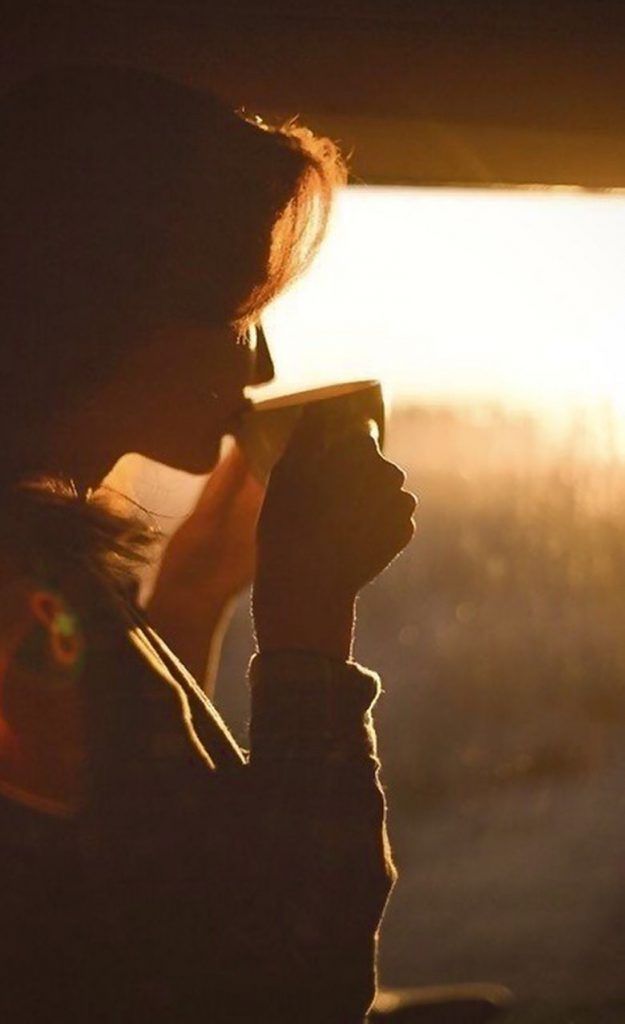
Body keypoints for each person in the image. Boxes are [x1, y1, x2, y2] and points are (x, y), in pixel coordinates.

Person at [0, 65, 416, 1023]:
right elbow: (283, 984)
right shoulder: (14, 589)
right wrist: (308, 637)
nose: (264, 361)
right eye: (240, 315)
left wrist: (189, 601)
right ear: (111, 311)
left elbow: (141, 866)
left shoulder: (46, 566)